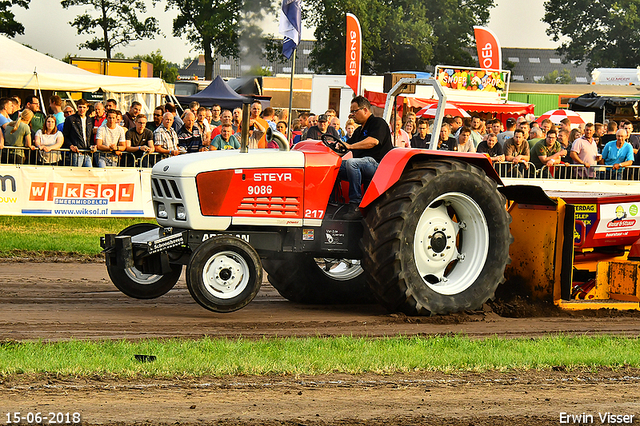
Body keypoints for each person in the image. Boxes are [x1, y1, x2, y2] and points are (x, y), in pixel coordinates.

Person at [335, 96, 393, 219]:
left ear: (365, 110)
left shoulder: (378, 123)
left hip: (378, 165)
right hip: (362, 165)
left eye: (354, 111)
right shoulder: (358, 132)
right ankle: (334, 202)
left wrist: (350, 146)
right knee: (334, 167)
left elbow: (373, 141)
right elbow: (345, 147)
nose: (352, 115)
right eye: (351, 112)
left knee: (352, 163)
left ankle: (355, 204)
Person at [62, 99, 94, 167]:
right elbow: (65, 135)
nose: (82, 109)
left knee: (89, 173)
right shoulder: (70, 119)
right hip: (76, 152)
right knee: (76, 174)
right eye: (80, 107)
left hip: (87, 152)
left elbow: (90, 136)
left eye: (84, 107)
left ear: (87, 108)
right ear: (77, 108)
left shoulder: (90, 120)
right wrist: (71, 145)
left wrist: (92, 145)